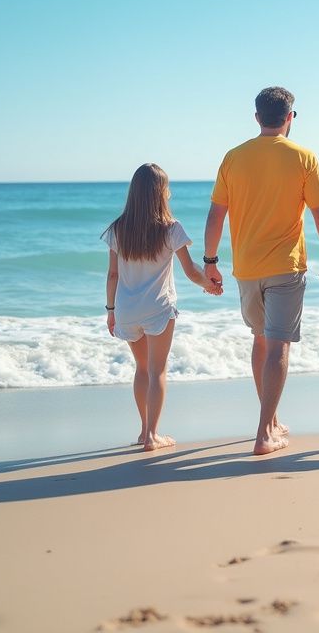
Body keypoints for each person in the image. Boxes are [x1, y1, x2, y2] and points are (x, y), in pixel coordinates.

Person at [203, 87, 319, 456]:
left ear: (257, 116)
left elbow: (216, 214)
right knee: (278, 344)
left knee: (261, 339)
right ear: (290, 117)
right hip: (285, 266)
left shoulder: (234, 157)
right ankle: (264, 434)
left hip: (246, 268)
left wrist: (210, 262)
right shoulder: (304, 157)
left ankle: (272, 420)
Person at [102, 163, 221, 451]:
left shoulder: (118, 228)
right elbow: (191, 271)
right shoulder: (171, 228)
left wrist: (110, 311)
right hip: (158, 309)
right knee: (157, 371)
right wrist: (210, 285)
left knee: (141, 369)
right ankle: (153, 435)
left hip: (127, 310)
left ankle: (144, 432)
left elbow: (113, 274)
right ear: (161, 192)